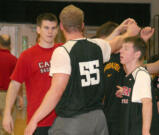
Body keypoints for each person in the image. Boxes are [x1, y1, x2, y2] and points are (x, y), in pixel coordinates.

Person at [24, 4, 140, 135]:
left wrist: (34, 119)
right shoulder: (97, 46)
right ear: (83, 25)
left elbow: (56, 91)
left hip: (73, 122)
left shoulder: (63, 52)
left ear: (61, 26)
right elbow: (114, 42)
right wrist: (129, 31)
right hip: (98, 120)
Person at [2, 13, 63, 135]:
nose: (50, 32)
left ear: (57, 30)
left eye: (53, 28)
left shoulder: (63, 51)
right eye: (46, 28)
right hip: (39, 121)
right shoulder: (27, 56)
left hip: (62, 119)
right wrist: (7, 113)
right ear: (38, 29)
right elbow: (14, 85)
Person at [115, 36, 159, 135]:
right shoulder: (131, 75)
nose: (121, 51)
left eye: (126, 48)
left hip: (138, 130)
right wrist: (126, 91)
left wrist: (145, 131)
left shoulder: (141, 74)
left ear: (137, 54)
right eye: (121, 48)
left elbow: (147, 103)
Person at [0, 34, 17, 135]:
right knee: (8, 127)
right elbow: (16, 82)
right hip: (9, 96)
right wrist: (19, 97)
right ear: (10, 45)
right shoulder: (14, 60)